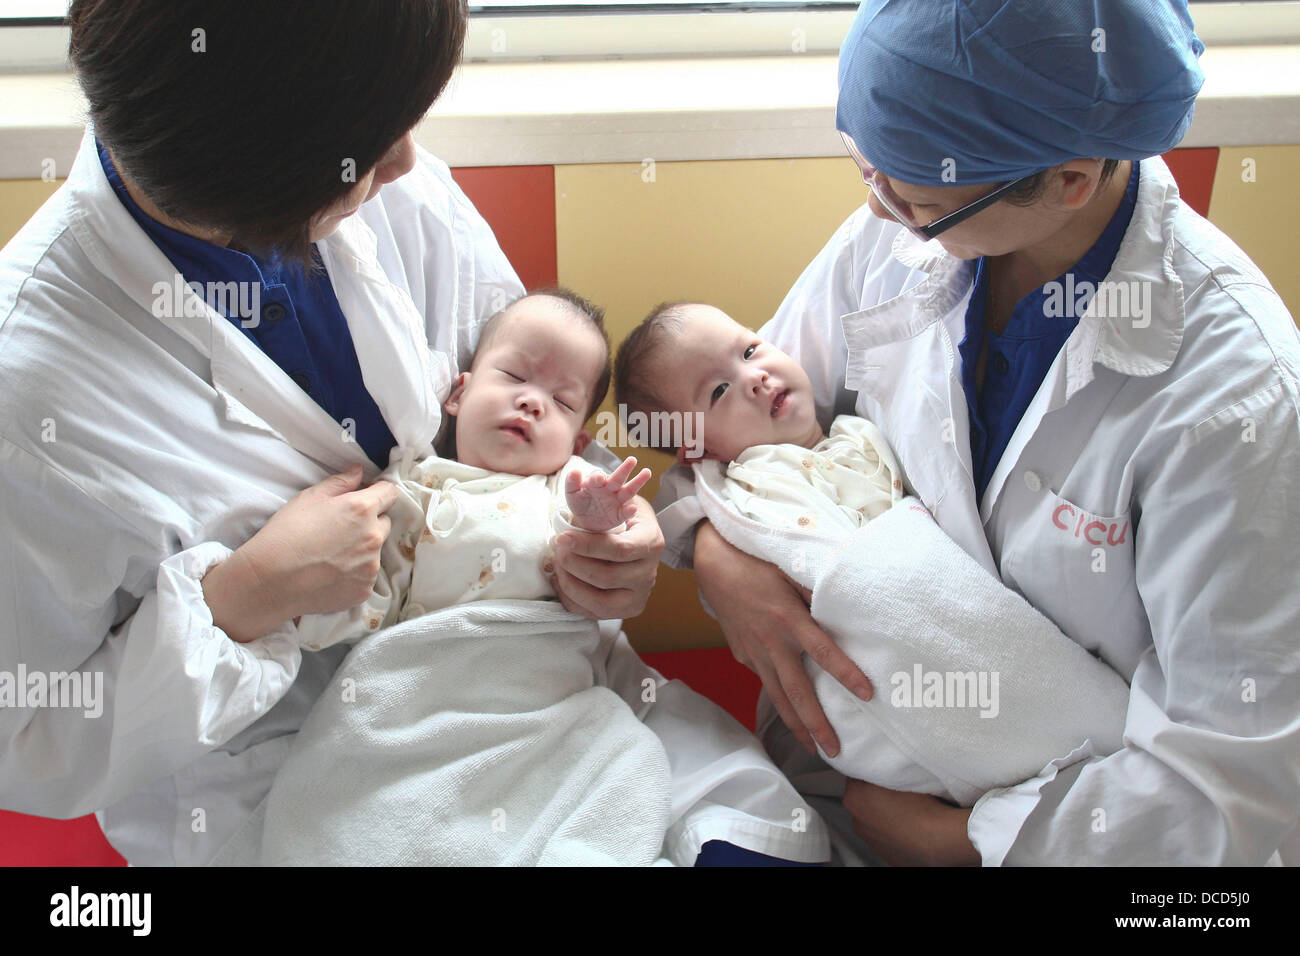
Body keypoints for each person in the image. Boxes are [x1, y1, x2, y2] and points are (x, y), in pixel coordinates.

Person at [0, 0, 665, 866]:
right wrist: (246, 599)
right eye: (369, 142)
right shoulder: (31, 403)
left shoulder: (375, 167)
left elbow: (532, 385)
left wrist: (608, 529)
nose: (405, 161)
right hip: (275, 790)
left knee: (723, 805)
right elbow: (31, 743)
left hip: (526, 694)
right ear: (251, 151)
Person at [657, 0, 1300, 865]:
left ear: (1073, 178)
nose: (882, 214)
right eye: (869, 170)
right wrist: (716, 554)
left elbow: (1245, 799)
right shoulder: (897, 239)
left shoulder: (1239, 407)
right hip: (834, 770)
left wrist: (960, 842)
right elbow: (720, 432)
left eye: (914, 198)